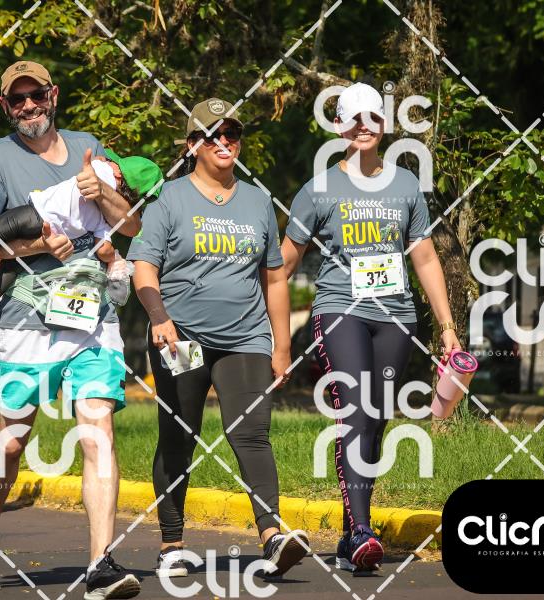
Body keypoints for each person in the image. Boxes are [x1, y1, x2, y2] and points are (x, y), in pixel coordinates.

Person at [0, 61, 142, 598]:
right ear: (5, 106)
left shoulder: (89, 145)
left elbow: (131, 223)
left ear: (53, 94)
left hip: (93, 317)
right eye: (16, 100)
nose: (28, 106)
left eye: (35, 95)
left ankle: (101, 562)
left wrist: (101, 191)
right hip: (28, 318)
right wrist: (41, 243)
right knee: (13, 440)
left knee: (97, 429)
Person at [280, 82, 462, 572]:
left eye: (373, 118)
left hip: (396, 317)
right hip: (340, 309)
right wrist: (265, 326)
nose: (364, 126)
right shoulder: (318, 188)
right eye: (354, 119)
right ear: (341, 127)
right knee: (357, 408)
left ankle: (348, 536)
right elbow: (284, 264)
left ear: (384, 124)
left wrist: (446, 326)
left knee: (376, 418)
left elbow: (425, 258)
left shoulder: (405, 185)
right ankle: (363, 530)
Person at [130, 98, 309, 579]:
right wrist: (159, 316)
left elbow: (274, 277)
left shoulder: (257, 200)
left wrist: (282, 345)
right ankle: (172, 543)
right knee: (179, 435)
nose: (224, 141)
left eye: (232, 133)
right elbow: (144, 266)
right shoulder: (169, 198)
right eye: (213, 134)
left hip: (246, 337)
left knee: (250, 431)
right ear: (193, 145)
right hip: (181, 338)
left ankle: (272, 536)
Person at [0, 149, 158, 326]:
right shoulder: (106, 218)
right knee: (10, 269)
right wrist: (113, 258)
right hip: (55, 239)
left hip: (35, 215)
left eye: (113, 162)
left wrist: (102, 162)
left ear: (118, 173)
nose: (108, 161)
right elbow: (104, 249)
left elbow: (99, 160)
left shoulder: (100, 171)